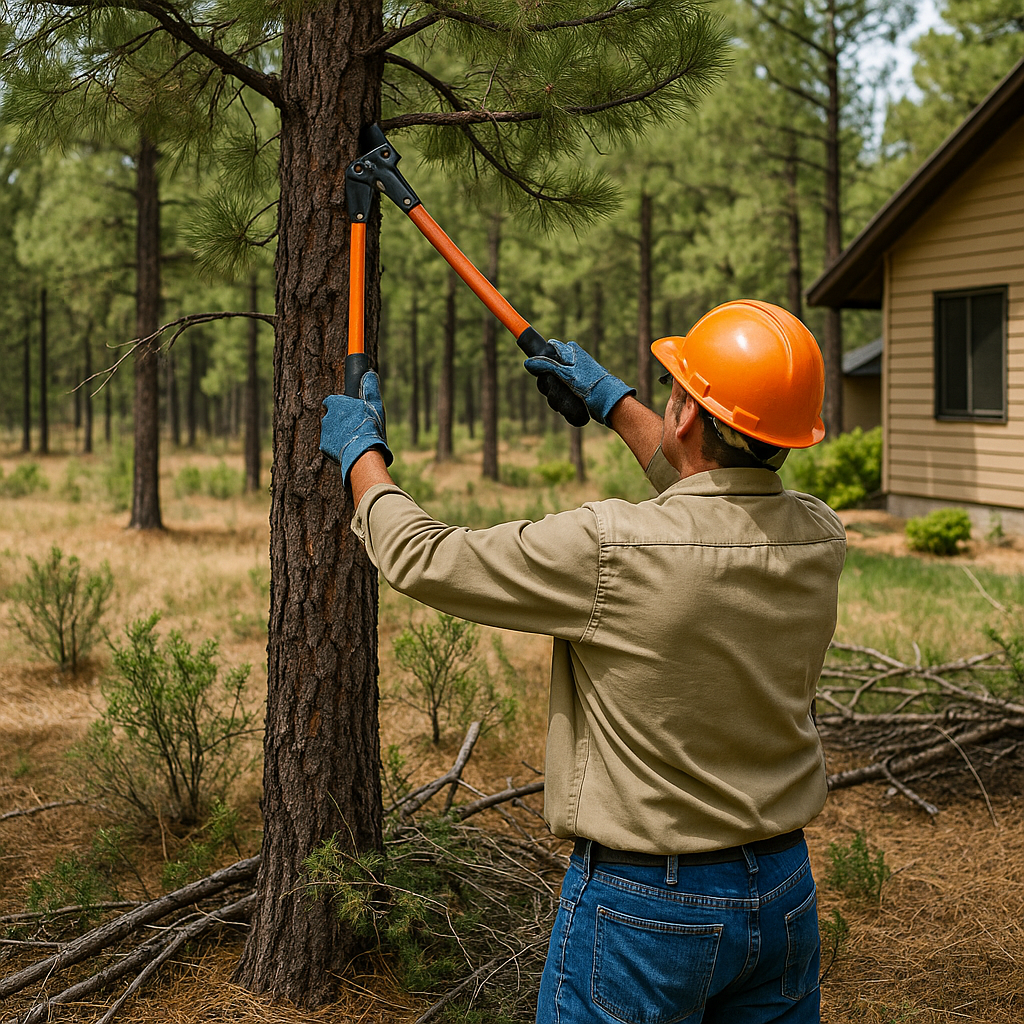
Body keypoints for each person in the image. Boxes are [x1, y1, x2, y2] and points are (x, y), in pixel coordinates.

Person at [319, 299, 847, 1024]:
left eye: (676, 392)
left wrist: (361, 457)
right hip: (783, 894)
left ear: (688, 415)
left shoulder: (611, 548)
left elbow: (425, 556)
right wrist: (614, 403)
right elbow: (716, 507)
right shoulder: (819, 537)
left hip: (645, 909)